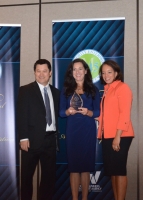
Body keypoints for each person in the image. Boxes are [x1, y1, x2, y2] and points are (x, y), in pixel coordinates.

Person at [17, 59, 60, 200]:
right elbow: (21, 114)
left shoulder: (56, 92)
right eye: (38, 71)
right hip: (31, 141)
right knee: (27, 178)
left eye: (44, 71)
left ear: (50, 73)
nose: (41, 74)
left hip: (50, 141)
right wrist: (23, 137)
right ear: (35, 72)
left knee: (49, 178)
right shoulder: (26, 90)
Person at [59, 58, 100, 200]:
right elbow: (60, 113)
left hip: (88, 131)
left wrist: (88, 112)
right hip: (72, 132)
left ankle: (85, 198)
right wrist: (68, 112)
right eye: (74, 69)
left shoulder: (93, 89)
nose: (77, 72)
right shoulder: (66, 90)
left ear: (86, 71)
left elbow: (97, 112)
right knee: (74, 168)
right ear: (71, 72)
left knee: (86, 168)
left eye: (80, 69)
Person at [97, 60, 134, 200]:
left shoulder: (123, 88)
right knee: (113, 172)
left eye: (109, 72)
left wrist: (117, 136)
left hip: (121, 135)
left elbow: (125, 113)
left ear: (116, 73)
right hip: (107, 135)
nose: (106, 75)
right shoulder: (108, 89)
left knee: (119, 171)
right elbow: (106, 115)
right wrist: (88, 113)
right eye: (103, 72)